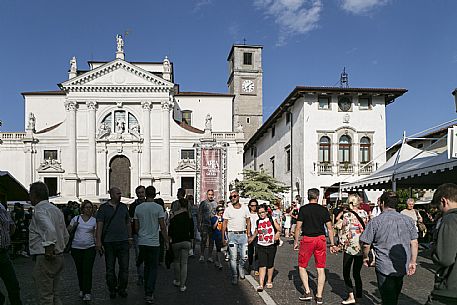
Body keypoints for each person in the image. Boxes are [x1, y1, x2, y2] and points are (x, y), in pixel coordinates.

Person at [360, 191, 418, 305]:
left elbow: (366, 244)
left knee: (387, 297)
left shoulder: (376, 221)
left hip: (384, 264)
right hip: (402, 263)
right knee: (395, 295)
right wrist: (413, 261)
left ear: (382, 203)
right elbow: (414, 242)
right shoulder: (408, 220)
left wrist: (365, 257)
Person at [293, 188, 337, 304]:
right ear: (317, 196)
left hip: (307, 239)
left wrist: (296, 241)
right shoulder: (323, 210)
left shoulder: (303, 209)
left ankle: (307, 291)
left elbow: (298, 227)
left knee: (302, 266)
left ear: (308, 196)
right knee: (320, 268)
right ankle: (319, 295)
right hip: (320, 239)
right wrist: (332, 243)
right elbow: (330, 228)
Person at [29, 181, 69, 305]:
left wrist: (49, 249)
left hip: (45, 257)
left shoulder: (39, 210)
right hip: (59, 256)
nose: (29, 197)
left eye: (30, 194)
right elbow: (65, 235)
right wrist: (60, 248)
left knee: (45, 296)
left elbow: (50, 229)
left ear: (35, 195)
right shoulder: (56, 210)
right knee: (55, 294)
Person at [134, 186, 169, 304]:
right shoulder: (158, 208)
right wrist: (167, 241)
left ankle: (146, 290)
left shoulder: (138, 208)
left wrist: (141, 234)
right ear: (154, 195)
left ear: (145, 194)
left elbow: (136, 226)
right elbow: (162, 226)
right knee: (153, 268)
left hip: (142, 241)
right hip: (154, 242)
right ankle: (149, 293)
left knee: (146, 266)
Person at [96, 187, 132, 299]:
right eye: (118, 193)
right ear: (111, 195)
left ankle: (122, 288)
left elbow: (128, 223)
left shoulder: (123, 207)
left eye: (120, 193)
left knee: (124, 268)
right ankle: (112, 288)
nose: (120, 195)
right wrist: (98, 241)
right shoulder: (103, 208)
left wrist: (130, 237)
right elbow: (100, 225)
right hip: (109, 242)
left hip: (123, 242)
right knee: (110, 269)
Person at [425, 183, 457, 305]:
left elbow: (445, 258)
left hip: (450, 287)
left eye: (438, 207)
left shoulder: (450, 219)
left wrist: (433, 250)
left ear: (443, 201)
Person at [338, 194, 369, 304]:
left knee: (346, 272)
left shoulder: (347, 215)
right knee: (357, 272)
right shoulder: (364, 214)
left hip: (350, 246)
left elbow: (345, 231)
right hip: (361, 245)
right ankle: (359, 295)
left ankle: (351, 296)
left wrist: (340, 244)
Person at [68, 200, 96, 301]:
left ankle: (87, 291)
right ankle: (82, 289)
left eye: (90, 207)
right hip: (76, 247)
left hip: (90, 247)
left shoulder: (94, 220)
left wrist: (98, 244)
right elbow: (68, 230)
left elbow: (95, 234)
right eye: (87, 207)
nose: (89, 209)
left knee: (87, 270)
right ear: (82, 209)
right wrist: (74, 226)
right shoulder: (76, 218)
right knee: (80, 270)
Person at [249, 204, 281, 292]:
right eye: (259, 213)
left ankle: (269, 280)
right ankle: (261, 284)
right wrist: (251, 238)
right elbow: (256, 231)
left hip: (271, 245)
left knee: (270, 264)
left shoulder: (271, 219)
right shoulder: (258, 221)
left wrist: (277, 234)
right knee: (262, 264)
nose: (261, 214)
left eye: (263, 212)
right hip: (261, 245)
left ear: (266, 212)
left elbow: (279, 229)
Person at [222, 190, 251, 285]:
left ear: (238, 197)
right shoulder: (228, 209)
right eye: (231, 197)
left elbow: (248, 221)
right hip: (232, 235)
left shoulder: (245, 208)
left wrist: (249, 234)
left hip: (243, 235)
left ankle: (241, 267)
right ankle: (235, 275)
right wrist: (223, 237)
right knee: (233, 257)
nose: (232, 198)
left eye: (234, 196)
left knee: (244, 256)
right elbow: (224, 224)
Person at [168, 197, 194, 292]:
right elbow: (192, 231)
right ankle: (183, 285)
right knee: (184, 264)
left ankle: (177, 280)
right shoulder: (189, 216)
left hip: (176, 241)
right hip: (186, 241)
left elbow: (170, 230)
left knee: (176, 262)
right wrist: (191, 242)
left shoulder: (174, 216)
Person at [0, 201, 23, 305]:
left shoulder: (1, 207)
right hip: (3, 252)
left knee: (13, 285)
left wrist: (6, 237)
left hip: (3, 253)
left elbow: (12, 226)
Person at [129, 185, 146, 285]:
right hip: (137, 234)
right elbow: (130, 220)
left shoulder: (150, 204)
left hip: (148, 233)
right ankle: (141, 276)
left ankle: (146, 275)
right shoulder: (133, 206)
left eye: (142, 192)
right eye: (139, 193)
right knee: (139, 255)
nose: (140, 194)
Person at [198, 189, 217, 262]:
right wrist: (199, 224)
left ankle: (210, 256)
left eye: (212, 195)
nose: (210, 196)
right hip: (204, 224)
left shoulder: (215, 203)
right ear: (207, 195)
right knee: (203, 240)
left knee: (212, 241)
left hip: (212, 225)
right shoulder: (203, 203)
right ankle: (202, 255)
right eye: (209, 194)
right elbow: (200, 214)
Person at [211, 206, 225, 270]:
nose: (221, 214)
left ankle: (217, 261)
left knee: (219, 249)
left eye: (222, 213)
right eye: (220, 213)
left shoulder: (223, 219)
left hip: (221, 235)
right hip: (216, 235)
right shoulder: (214, 218)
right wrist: (217, 220)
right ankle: (219, 263)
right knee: (218, 249)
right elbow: (213, 227)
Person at [247, 199, 259, 275]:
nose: (254, 207)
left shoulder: (259, 214)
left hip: (258, 235)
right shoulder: (247, 214)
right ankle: (250, 265)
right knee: (250, 251)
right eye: (252, 205)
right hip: (249, 234)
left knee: (257, 251)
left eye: (255, 205)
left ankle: (257, 267)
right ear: (249, 206)